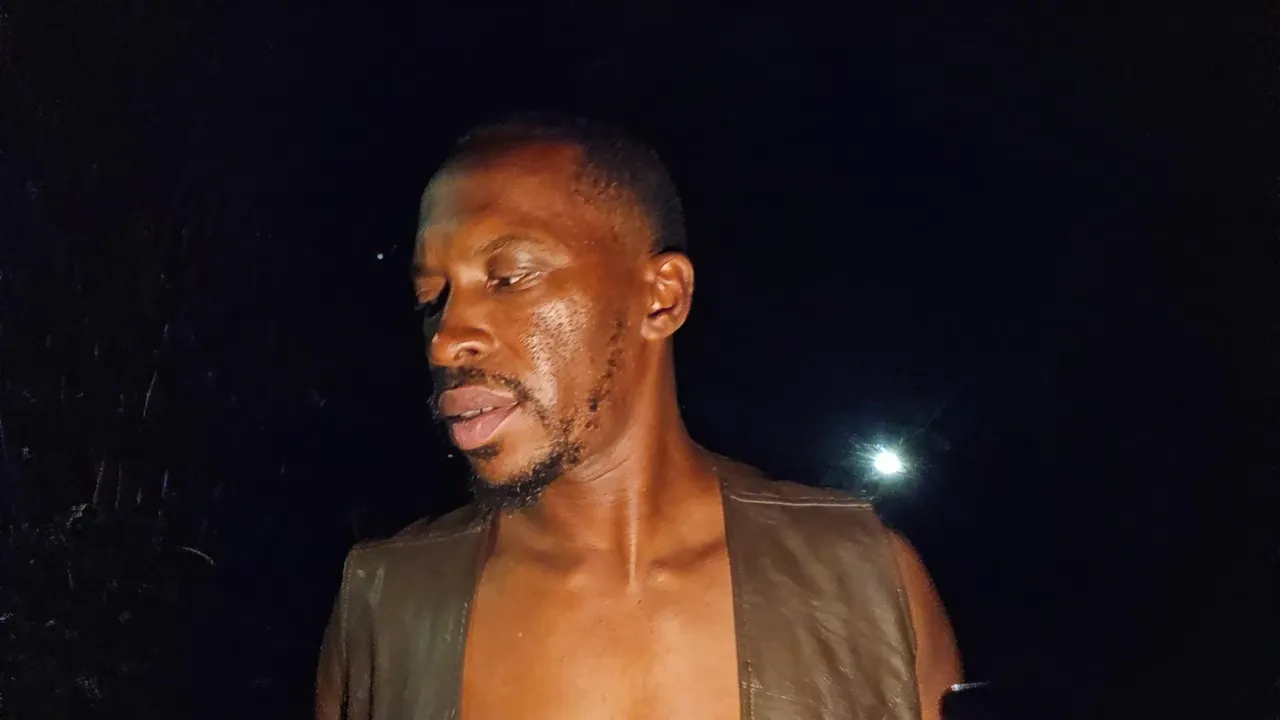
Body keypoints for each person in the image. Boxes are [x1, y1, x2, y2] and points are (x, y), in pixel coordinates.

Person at [315, 115, 962, 720]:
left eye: (508, 277)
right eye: (431, 297)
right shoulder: (384, 602)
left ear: (661, 298)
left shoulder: (865, 582)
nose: (446, 340)